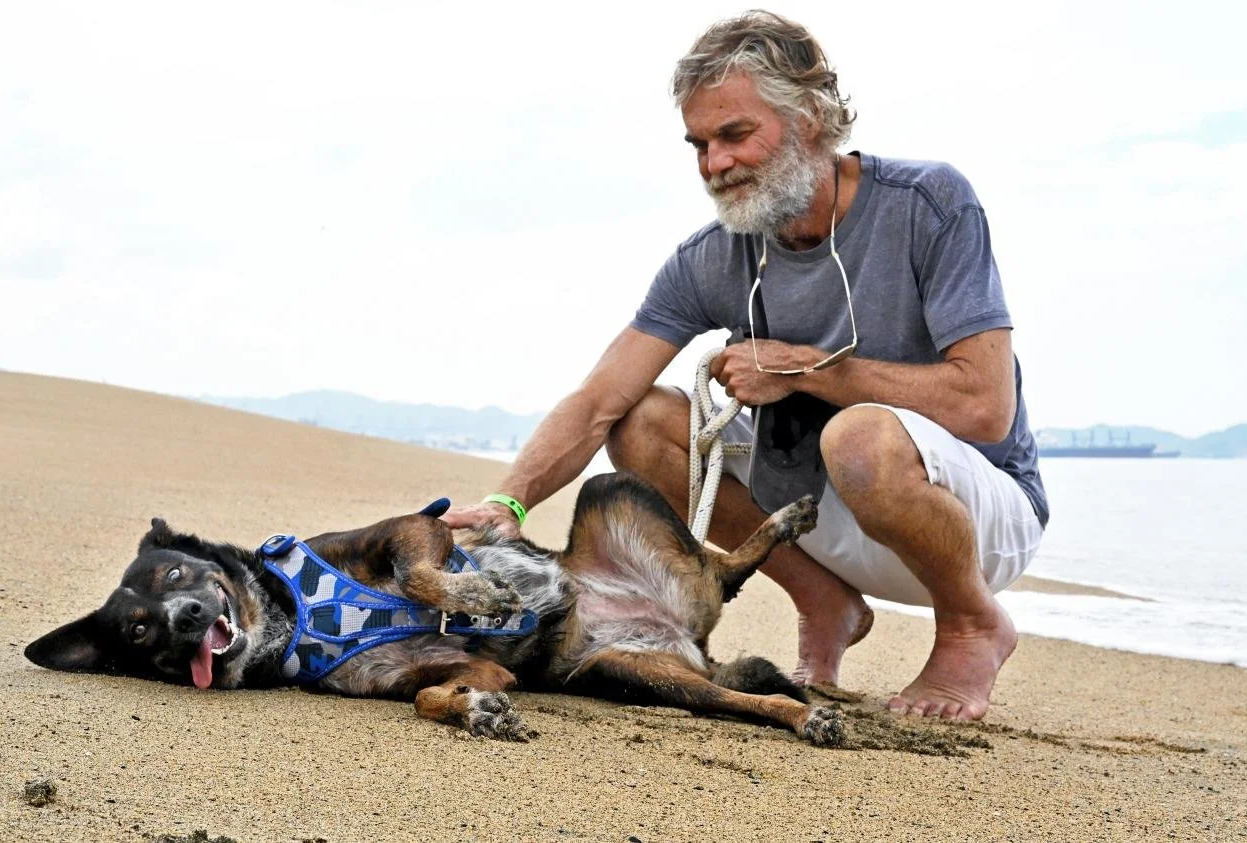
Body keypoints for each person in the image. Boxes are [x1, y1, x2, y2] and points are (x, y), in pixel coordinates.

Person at [443, 10, 1047, 721]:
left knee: (857, 435)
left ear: (813, 118)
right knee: (643, 424)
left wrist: (809, 372)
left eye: (735, 135)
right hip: (832, 509)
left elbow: (985, 405)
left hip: (978, 524)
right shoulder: (712, 256)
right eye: (699, 143)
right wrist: (509, 503)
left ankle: (974, 622)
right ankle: (824, 599)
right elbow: (599, 400)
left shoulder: (929, 203)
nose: (713, 164)